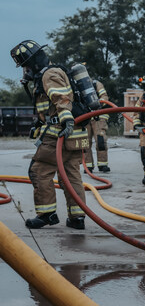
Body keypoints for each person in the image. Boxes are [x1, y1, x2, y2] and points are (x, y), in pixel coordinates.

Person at [10, 40, 88, 229]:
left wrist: (66, 120)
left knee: (39, 171)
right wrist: (39, 123)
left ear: (34, 63)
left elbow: (61, 99)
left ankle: (46, 214)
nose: (25, 71)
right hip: (72, 135)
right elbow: (48, 107)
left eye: (26, 66)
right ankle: (77, 218)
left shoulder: (49, 74)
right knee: (70, 176)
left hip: (58, 135)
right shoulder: (50, 73)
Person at [84, 80, 111, 173]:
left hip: (98, 117)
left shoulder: (96, 84)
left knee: (101, 141)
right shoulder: (76, 86)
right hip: (84, 117)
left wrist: (97, 104)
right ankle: (88, 166)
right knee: (85, 143)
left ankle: (103, 164)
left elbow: (104, 98)